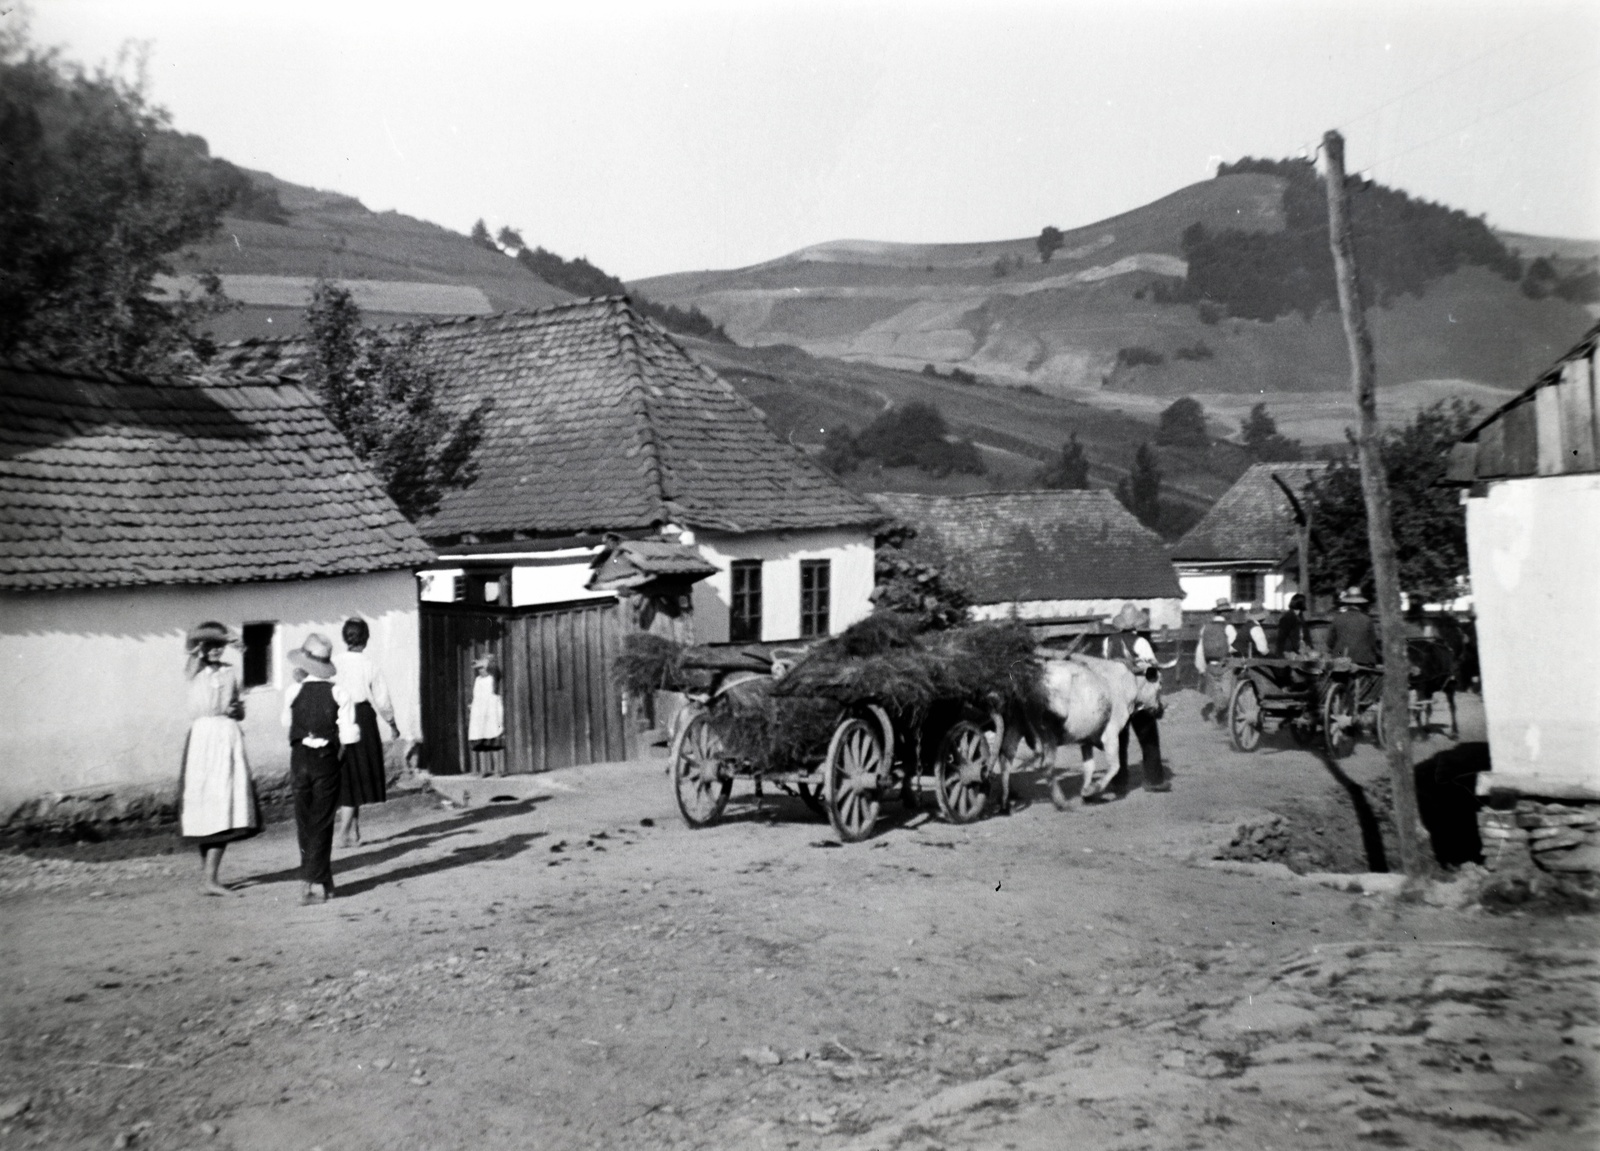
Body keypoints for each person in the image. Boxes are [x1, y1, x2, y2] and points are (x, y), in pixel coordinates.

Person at [178, 622, 259, 895]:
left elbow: (240, 710)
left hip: (226, 737)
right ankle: (209, 879)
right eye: (209, 645)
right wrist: (197, 648)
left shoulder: (231, 672)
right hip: (202, 740)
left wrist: (236, 711)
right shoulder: (195, 671)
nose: (214, 650)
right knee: (205, 806)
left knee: (224, 803)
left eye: (218, 645)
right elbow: (190, 663)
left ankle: (211, 878)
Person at [282, 634, 356, 904]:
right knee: (322, 822)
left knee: (304, 821)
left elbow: (285, 723)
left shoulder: (293, 691)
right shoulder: (339, 692)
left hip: (299, 757)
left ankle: (322, 880)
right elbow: (349, 737)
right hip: (325, 759)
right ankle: (312, 885)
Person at [333, 617, 399, 848]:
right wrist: (392, 722)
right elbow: (382, 698)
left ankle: (355, 832)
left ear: (345, 638)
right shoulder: (369, 664)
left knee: (349, 777)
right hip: (361, 719)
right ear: (366, 638)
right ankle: (343, 833)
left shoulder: (335, 663)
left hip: (340, 718)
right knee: (358, 776)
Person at [1103, 604, 1170, 793]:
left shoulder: (1107, 641)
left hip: (1116, 698)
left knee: (1119, 741)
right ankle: (1154, 780)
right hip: (1138, 698)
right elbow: (1152, 668)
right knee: (1148, 739)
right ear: (1136, 624)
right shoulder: (1141, 642)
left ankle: (1119, 782)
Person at [1194, 598, 1234, 723]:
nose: (1229, 614)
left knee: (1216, 692)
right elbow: (1233, 647)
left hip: (1210, 665)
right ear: (1224, 613)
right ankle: (1221, 714)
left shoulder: (1205, 628)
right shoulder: (1229, 628)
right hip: (1225, 666)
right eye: (1228, 611)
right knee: (1227, 693)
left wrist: (1201, 667)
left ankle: (1218, 715)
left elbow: (1200, 649)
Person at [467, 654, 505, 775]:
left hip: (491, 712)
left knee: (493, 739)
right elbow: (476, 696)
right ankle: (484, 769)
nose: (480, 670)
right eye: (479, 669)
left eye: (483, 668)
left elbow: (495, 672)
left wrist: (487, 661)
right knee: (481, 740)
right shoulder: (477, 680)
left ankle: (498, 770)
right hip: (479, 713)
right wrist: (473, 706)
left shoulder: (493, 679)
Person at [1330, 586, 1380, 664]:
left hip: (1341, 659)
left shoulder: (1337, 619)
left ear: (1347, 603)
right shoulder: (1367, 620)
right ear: (1361, 603)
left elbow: (1330, 642)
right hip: (1363, 660)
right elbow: (1372, 643)